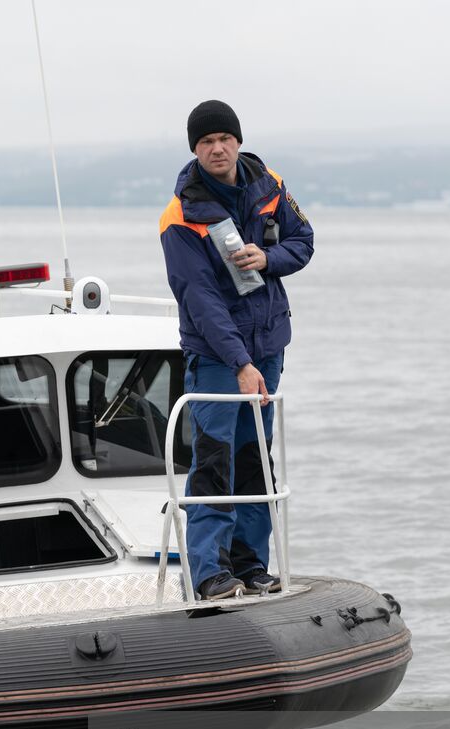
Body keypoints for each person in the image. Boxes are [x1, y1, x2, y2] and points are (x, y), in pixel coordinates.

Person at [159, 101, 315, 600]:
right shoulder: (181, 216)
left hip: (268, 346)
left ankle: (251, 566)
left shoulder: (268, 184)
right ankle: (208, 572)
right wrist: (240, 364)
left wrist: (268, 258)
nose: (218, 148)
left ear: (238, 141)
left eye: (225, 137)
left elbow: (303, 241)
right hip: (217, 358)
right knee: (213, 460)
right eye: (206, 142)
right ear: (195, 150)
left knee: (254, 460)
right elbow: (200, 300)